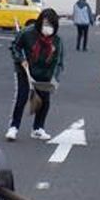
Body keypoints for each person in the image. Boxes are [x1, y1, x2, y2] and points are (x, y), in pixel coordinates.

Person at [6, 8, 65, 142]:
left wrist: (54, 78)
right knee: (22, 97)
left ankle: (38, 128)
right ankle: (14, 127)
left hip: (45, 74)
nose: (47, 28)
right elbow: (15, 46)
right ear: (39, 22)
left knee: (44, 101)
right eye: (45, 24)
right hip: (25, 70)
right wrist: (21, 59)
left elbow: (59, 61)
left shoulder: (57, 40)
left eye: (51, 25)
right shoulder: (28, 33)